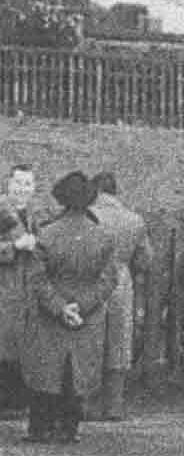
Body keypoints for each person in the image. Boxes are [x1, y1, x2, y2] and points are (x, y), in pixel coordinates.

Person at [20, 171, 117, 444]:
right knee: (76, 373)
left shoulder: (47, 235)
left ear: (61, 198)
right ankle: (69, 428)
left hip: (50, 316)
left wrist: (60, 307)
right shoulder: (103, 236)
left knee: (46, 370)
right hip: (86, 316)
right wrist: (82, 307)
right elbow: (109, 279)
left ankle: (40, 428)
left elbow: (36, 279)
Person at [87, 172, 152, 422]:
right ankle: (114, 406)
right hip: (121, 282)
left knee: (91, 338)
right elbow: (145, 259)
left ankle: (88, 405)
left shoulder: (88, 216)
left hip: (91, 280)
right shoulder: (134, 220)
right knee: (118, 342)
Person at [0, 166, 42, 416]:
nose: (22, 189)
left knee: (20, 345)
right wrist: (13, 246)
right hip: (4, 287)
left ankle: (16, 401)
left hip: (26, 291)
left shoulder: (35, 214)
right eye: (18, 183)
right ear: (8, 184)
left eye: (27, 184)